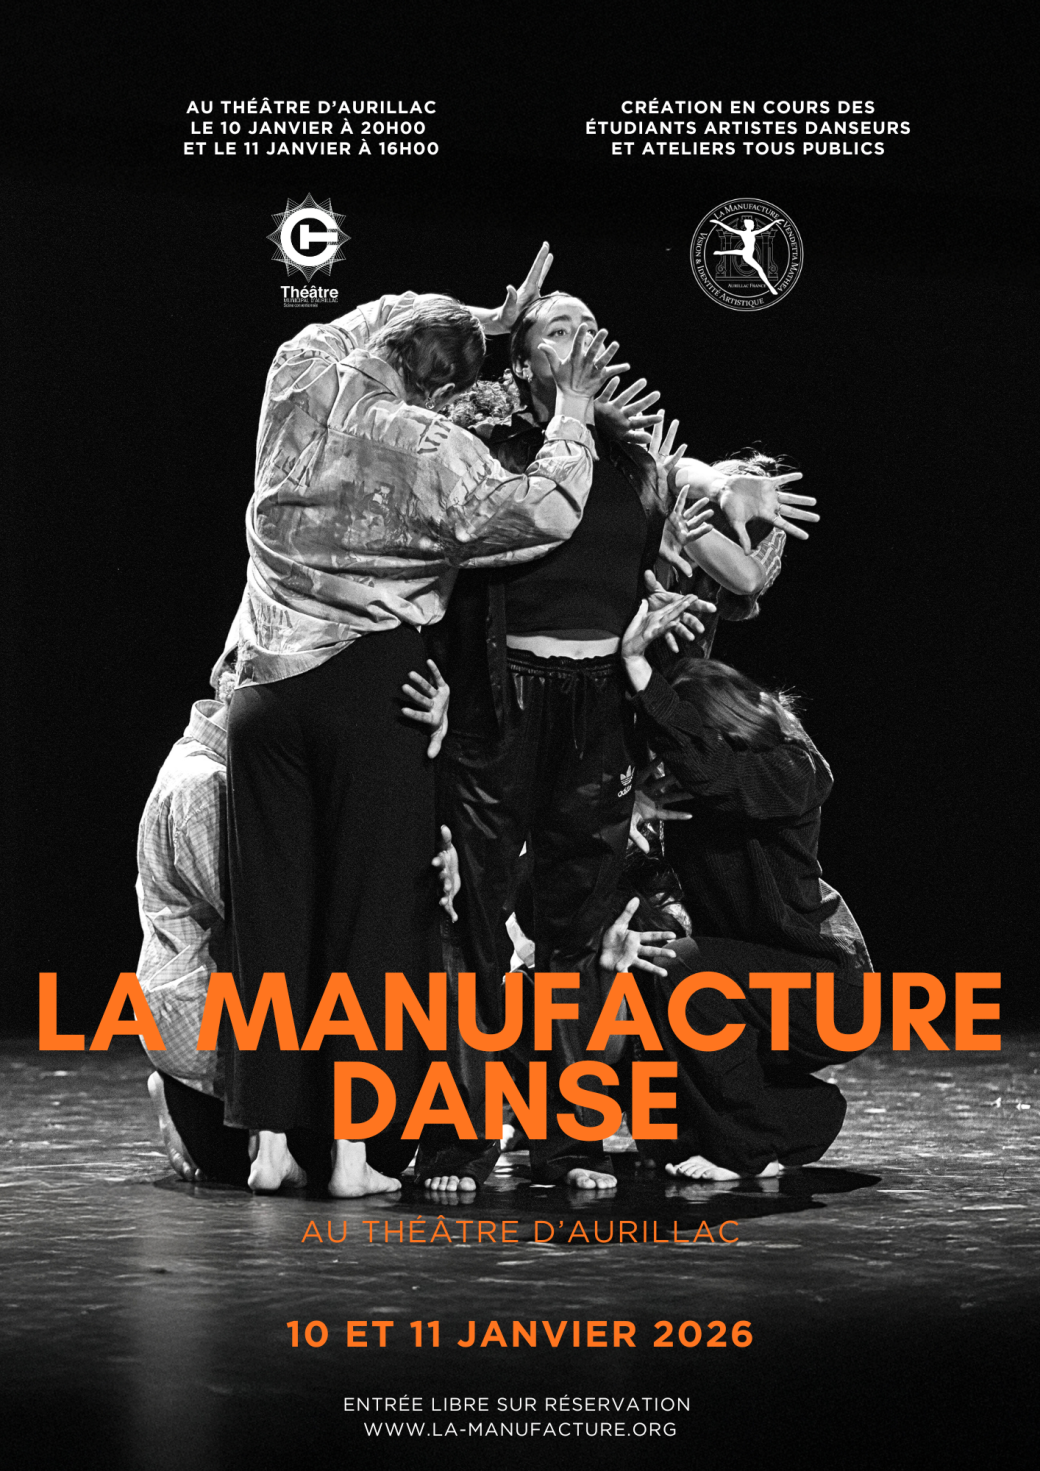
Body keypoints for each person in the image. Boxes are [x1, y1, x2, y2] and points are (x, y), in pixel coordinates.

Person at [222, 255, 624, 1196]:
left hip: (264, 688)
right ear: (446, 388)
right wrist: (572, 412)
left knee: (268, 919)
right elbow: (544, 510)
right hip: (371, 687)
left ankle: (269, 1148)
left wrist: (485, 314)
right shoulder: (436, 449)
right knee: (370, 920)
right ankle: (351, 1154)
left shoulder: (298, 374)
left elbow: (377, 314)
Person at [433, 291, 816, 1187]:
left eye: (588, 325)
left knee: (574, 926)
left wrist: (734, 486)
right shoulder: (492, 447)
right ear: (524, 358)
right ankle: (458, 1135)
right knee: (478, 922)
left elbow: (713, 512)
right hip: (506, 697)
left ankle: (566, 1138)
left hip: (600, 702)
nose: (579, 336)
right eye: (557, 327)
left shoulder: (635, 461)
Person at [136, 657, 458, 1186]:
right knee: (374, 1144)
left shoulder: (230, 771)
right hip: (214, 1037)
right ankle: (179, 1103)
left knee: (381, 1143)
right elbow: (266, 918)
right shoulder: (207, 785)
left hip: (255, 1022)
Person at [615, 598, 873, 1180]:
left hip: (831, 993)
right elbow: (643, 881)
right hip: (748, 986)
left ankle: (748, 1146)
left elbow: (716, 775)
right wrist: (630, 815)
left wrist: (639, 671)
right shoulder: (687, 801)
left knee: (685, 966)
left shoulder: (792, 770)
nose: (666, 756)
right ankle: (797, 1116)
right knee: (652, 971)